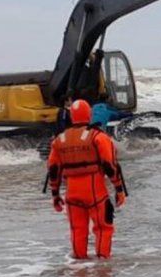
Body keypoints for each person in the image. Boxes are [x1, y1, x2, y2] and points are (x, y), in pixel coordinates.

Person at [47, 99, 127, 259]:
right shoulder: (98, 136)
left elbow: (53, 169)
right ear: (89, 115)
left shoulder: (59, 140)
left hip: (72, 194)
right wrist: (119, 189)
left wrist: (55, 195)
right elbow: (110, 164)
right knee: (104, 228)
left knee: (77, 230)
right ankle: (102, 266)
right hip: (95, 191)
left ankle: (79, 268)